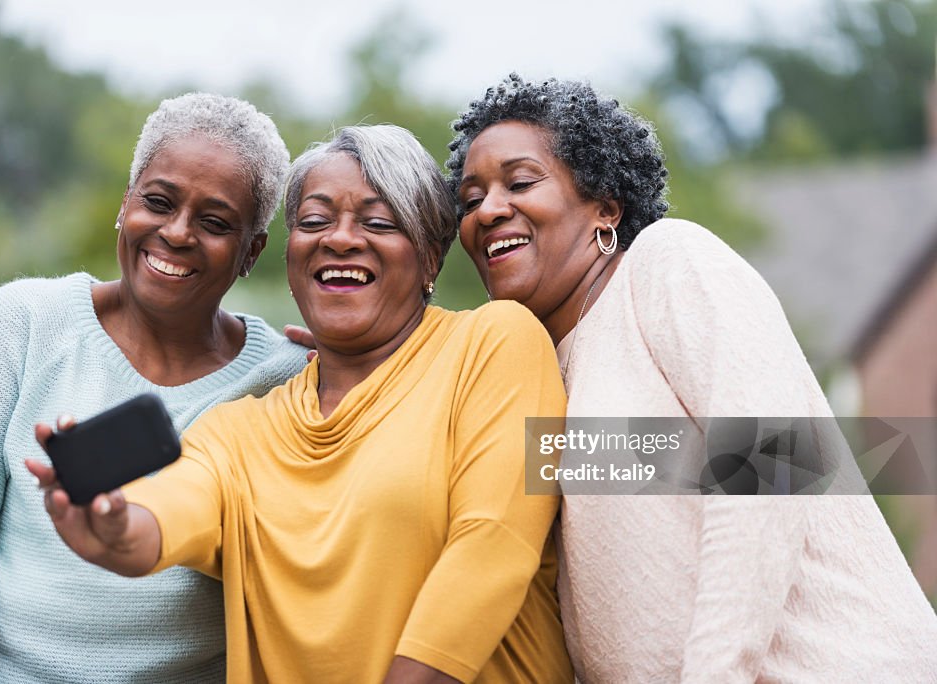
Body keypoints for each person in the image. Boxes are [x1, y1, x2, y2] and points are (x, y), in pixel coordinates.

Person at [29, 124, 575, 684]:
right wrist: (111, 529)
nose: (339, 239)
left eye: (378, 222)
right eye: (313, 221)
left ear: (431, 258)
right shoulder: (238, 428)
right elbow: (169, 512)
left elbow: (493, 545)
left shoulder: (494, 344)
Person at [447, 74, 937, 682]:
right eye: (470, 200)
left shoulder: (665, 265)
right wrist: (348, 358)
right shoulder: (535, 369)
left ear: (605, 207)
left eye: (520, 183)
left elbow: (777, 460)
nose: (489, 209)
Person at [0, 93, 306, 683]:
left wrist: (352, 367)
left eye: (216, 222)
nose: (176, 233)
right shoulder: (22, 322)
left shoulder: (286, 379)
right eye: (158, 202)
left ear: (251, 251)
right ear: (125, 206)